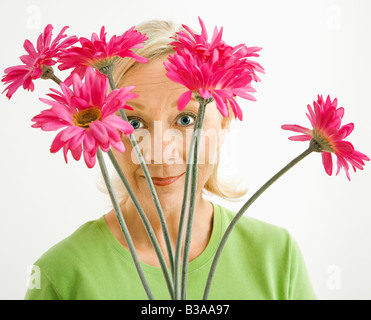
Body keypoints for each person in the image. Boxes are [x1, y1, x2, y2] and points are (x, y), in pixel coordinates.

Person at [25, 20, 316, 300]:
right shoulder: (61, 275)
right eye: (134, 122)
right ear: (103, 132)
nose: (160, 152)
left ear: (224, 124)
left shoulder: (278, 257)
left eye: (186, 119)